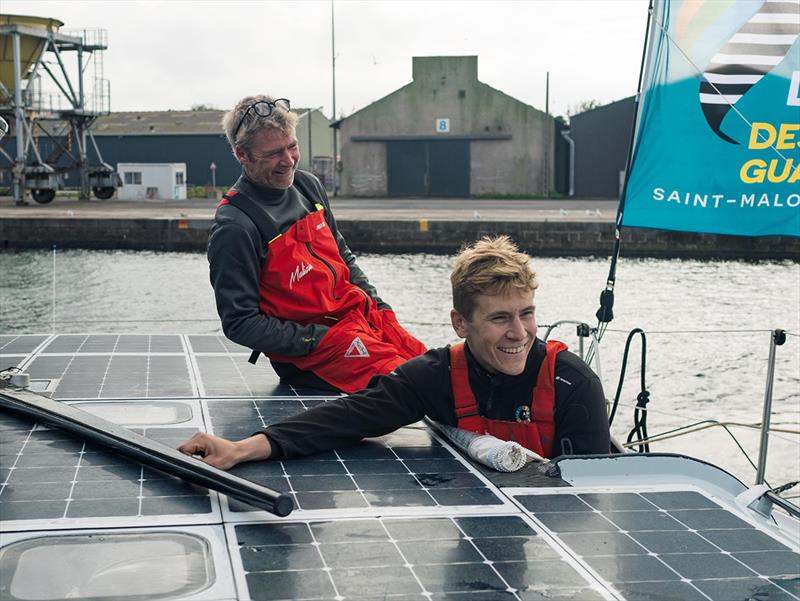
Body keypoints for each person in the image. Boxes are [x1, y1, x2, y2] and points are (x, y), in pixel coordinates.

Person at [179, 236, 611, 469]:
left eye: (527, 313)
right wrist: (240, 448)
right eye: (500, 318)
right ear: (460, 323)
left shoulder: (573, 383)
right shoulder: (436, 375)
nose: (520, 333)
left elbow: (599, 498)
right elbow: (344, 420)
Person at [210, 94, 426, 393]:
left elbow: (343, 256)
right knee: (412, 387)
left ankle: (498, 435)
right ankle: (481, 441)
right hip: (313, 354)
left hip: (360, 317)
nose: (288, 161)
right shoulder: (236, 225)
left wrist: (378, 304)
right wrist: (319, 338)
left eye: (292, 147)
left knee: (437, 368)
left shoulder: (307, 186)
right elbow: (239, 322)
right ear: (242, 155)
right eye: (273, 153)